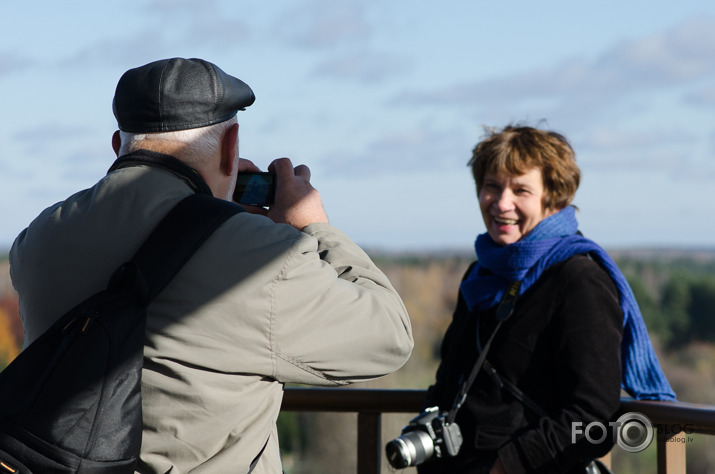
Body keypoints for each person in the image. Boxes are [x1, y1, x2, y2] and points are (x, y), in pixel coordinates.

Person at [9, 57, 414, 473]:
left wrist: (212, 213)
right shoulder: (262, 259)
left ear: (118, 145)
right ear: (231, 144)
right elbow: (390, 337)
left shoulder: (39, 240)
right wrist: (314, 226)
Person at [417, 124, 675, 473]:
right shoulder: (481, 276)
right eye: (491, 186)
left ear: (553, 198)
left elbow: (594, 415)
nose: (501, 203)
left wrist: (505, 466)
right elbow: (450, 380)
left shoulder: (580, 281)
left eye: (521, 189)